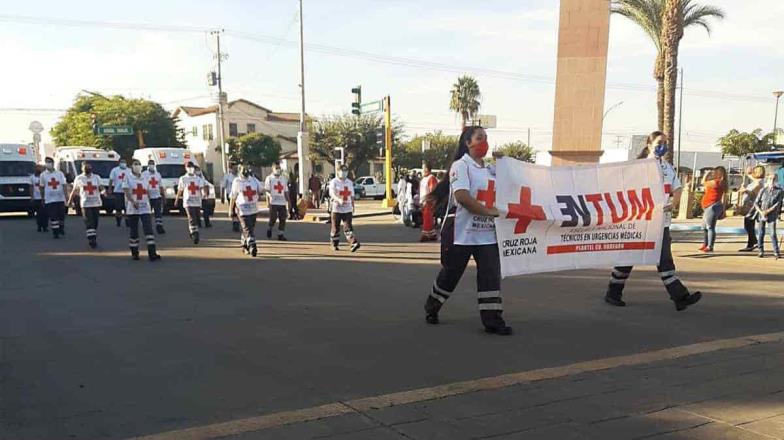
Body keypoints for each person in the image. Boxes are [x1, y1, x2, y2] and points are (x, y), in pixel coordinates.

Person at [423, 126, 511, 335]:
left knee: (490, 277)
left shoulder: (490, 169)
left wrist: (506, 164)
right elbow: (462, 197)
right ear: (468, 142)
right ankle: (432, 305)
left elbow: (511, 185)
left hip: (487, 234)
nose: (484, 142)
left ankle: (493, 321)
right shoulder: (460, 166)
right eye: (480, 138)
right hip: (462, 233)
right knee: (451, 274)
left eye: (486, 138)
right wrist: (488, 212)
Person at [605, 131, 702, 311]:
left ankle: (680, 297)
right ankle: (613, 292)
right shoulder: (639, 167)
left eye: (665, 142)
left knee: (664, 259)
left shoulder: (666, 167)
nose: (662, 146)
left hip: (661, 223)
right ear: (649, 145)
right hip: (640, 221)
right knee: (629, 256)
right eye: (659, 143)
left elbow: (677, 188)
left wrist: (674, 203)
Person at [123, 159, 161, 261]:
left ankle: (152, 253)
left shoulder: (145, 178)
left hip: (145, 207)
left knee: (148, 229)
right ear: (132, 166)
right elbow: (126, 191)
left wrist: (149, 202)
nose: (138, 166)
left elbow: (147, 191)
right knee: (134, 231)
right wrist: (132, 201)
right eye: (135, 164)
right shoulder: (128, 178)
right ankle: (134, 252)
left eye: (139, 164)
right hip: (133, 208)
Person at [229, 164, 264, 257]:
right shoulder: (236, 181)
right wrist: (230, 209)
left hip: (253, 208)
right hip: (242, 209)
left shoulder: (253, 179)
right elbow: (233, 196)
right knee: (247, 228)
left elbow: (261, 189)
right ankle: (253, 245)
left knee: (250, 228)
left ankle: (244, 243)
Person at [67, 162, 103, 248]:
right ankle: (92, 239)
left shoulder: (96, 177)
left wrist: (104, 192)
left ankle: (93, 234)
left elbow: (100, 187)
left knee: (95, 222)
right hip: (85, 204)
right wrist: (69, 201)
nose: (87, 168)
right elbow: (75, 191)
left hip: (96, 203)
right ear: (82, 168)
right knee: (89, 222)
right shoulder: (79, 178)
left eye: (89, 166)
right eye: (85, 167)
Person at [175, 161, 208, 244]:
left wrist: (204, 194)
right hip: (188, 201)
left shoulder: (198, 179)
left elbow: (202, 187)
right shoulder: (183, 179)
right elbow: (180, 190)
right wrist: (177, 199)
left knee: (197, 218)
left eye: (191, 167)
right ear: (186, 168)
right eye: (188, 167)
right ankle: (194, 234)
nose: (190, 168)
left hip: (197, 201)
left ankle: (193, 231)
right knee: (191, 218)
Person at [329, 165, 361, 252]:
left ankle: (353, 243)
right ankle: (334, 244)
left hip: (347, 208)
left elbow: (352, 196)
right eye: (342, 171)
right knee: (335, 228)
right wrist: (338, 199)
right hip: (337, 208)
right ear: (338, 171)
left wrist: (353, 206)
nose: (344, 173)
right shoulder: (334, 182)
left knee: (348, 227)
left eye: (345, 171)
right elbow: (332, 193)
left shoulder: (349, 182)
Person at [753, 173, 783, 259]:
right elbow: (756, 202)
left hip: (772, 215)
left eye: (774, 179)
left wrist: (768, 211)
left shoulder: (779, 191)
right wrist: (761, 211)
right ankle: (760, 250)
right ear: (767, 180)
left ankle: (776, 251)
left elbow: (777, 204)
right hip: (761, 214)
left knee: (773, 233)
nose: (772, 181)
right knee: (761, 233)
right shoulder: (763, 190)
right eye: (770, 179)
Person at [699, 166, 728, 253]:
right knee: (704, 227)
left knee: (710, 227)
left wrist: (706, 174)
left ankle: (710, 246)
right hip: (710, 206)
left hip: (712, 206)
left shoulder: (717, 182)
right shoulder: (722, 183)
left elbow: (703, 182)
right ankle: (706, 243)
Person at [39, 157, 68, 239]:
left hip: (60, 198)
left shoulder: (60, 174)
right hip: (49, 199)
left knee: (61, 215)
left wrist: (66, 196)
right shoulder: (43, 175)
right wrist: (43, 198)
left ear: (53, 163)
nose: (48, 163)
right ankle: (55, 232)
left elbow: (64, 185)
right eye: (46, 162)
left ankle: (61, 228)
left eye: (49, 162)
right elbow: (41, 187)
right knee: (53, 216)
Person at [738, 165, 765, 252]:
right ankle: (753, 242)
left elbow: (755, 192)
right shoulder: (755, 182)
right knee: (748, 225)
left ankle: (753, 242)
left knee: (749, 224)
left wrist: (746, 191)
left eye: (754, 171)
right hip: (750, 205)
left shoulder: (760, 182)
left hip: (753, 206)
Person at [264, 162, 289, 241]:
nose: (278, 170)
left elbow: (285, 191)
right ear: (273, 169)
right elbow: (267, 190)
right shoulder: (269, 178)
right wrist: (268, 201)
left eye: (279, 168)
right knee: (273, 218)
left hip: (282, 202)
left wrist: (288, 202)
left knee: (283, 218)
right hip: (273, 202)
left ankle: (280, 234)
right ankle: (270, 228)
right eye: (276, 168)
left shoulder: (283, 178)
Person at [142, 159, 166, 234]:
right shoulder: (144, 174)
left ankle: (159, 226)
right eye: (150, 163)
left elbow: (161, 186)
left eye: (153, 163)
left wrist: (163, 196)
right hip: (147, 197)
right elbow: (142, 185)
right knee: (147, 213)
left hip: (157, 196)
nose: (151, 165)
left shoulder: (157, 174)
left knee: (158, 212)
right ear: (148, 165)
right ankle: (148, 227)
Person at [419, 162, 439, 241]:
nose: (422, 170)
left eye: (423, 168)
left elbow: (432, 190)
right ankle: (432, 234)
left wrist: (430, 200)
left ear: (427, 169)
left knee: (428, 218)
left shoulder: (431, 178)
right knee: (426, 218)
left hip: (428, 201)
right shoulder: (424, 179)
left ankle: (425, 234)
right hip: (423, 201)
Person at [109, 159, 129, 227]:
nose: (123, 164)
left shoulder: (129, 170)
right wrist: (110, 189)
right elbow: (111, 180)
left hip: (127, 192)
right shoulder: (114, 170)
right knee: (118, 208)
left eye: (124, 162)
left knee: (127, 208)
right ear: (119, 163)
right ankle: (118, 221)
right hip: (118, 191)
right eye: (122, 162)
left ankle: (128, 222)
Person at [222, 163, 240, 232]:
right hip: (230, 195)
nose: (236, 170)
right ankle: (235, 222)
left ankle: (237, 221)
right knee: (232, 208)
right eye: (234, 168)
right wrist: (222, 197)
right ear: (231, 169)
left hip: (238, 196)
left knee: (238, 209)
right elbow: (223, 186)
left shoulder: (239, 176)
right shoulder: (227, 176)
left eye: (236, 168)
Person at [31, 165, 47, 232]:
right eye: (37, 168)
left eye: (40, 168)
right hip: (37, 198)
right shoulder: (32, 177)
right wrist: (32, 196)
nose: (39, 169)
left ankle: (45, 226)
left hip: (44, 198)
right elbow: (31, 187)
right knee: (39, 213)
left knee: (45, 213)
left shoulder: (44, 177)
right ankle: (39, 226)